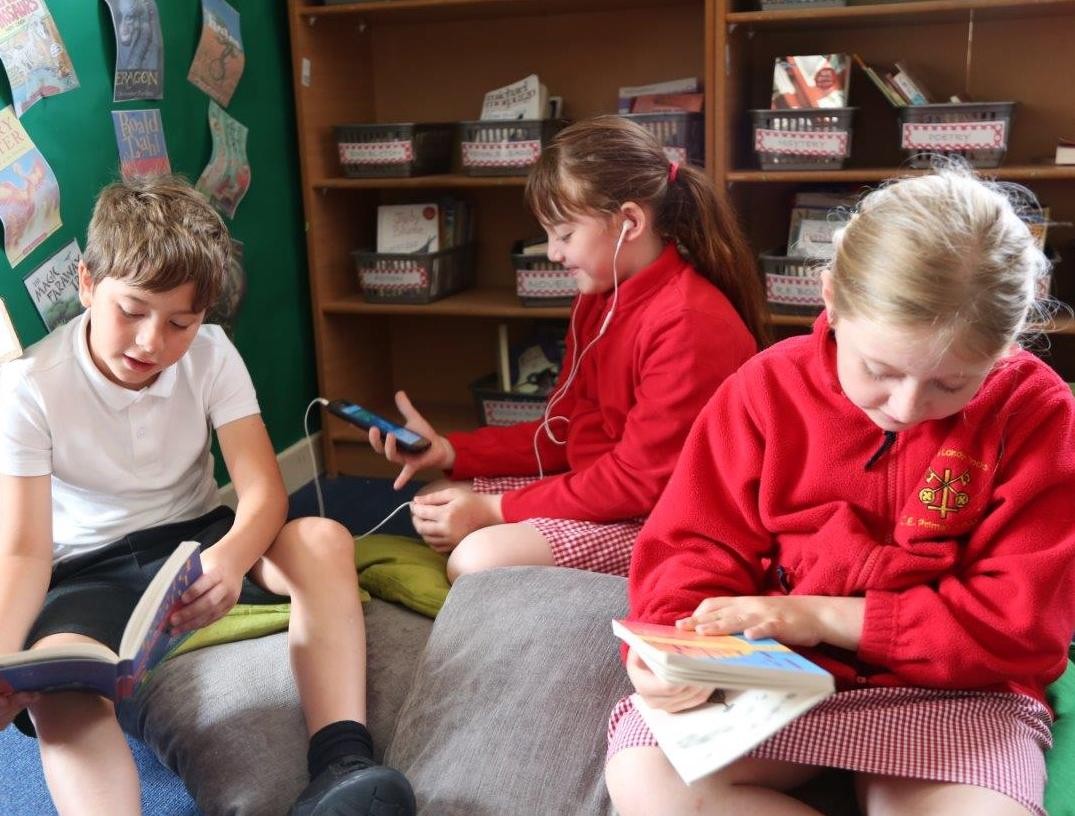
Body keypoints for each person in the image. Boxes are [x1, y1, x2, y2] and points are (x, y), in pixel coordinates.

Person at [605, 167, 1075, 816]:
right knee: (646, 781)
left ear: (1003, 349)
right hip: (774, 669)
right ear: (829, 297)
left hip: (961, 686)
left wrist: (822, 616)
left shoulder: (1034, 409)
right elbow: (691, 545)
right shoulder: (763, 387)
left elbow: (1021, 626)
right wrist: (667, 650)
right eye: (879, 370)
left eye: (952, 383)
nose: (908, 407)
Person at [0, 176, 416, 816]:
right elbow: (25, 552)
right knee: (58, 685)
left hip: (199, 540)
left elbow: (264, 493)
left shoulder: (213, 353)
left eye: (180, 323)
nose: (151, 343)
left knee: (324, 539)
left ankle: (342, 761)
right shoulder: (27, 387)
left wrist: (226, 559)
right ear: (86, 283)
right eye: (131, 311)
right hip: (89, 570)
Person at [369, 115, 770, 582]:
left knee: (475, 560)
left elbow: (637, 483)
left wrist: (493, 510)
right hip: (615, 493)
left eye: (564, 234)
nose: (553, 253)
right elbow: (561, 431)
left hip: (673, 522)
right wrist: (449, 452)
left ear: (630, 222)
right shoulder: (600, 296)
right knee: (438, 498)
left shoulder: (686, 322)